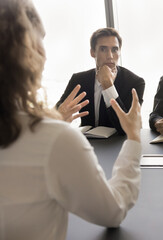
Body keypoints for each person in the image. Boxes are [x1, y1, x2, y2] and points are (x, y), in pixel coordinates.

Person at [0, 0, 142, 239]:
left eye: (114, 49)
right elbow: (112, 211)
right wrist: (135, 139)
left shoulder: (134, 81)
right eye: (40, 40)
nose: (110, 55)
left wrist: (109, 88)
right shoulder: (57, 135)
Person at [56, 27, 145, 135]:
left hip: (120, 144)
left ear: (120, 52)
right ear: (92, 52)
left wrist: (108, 85)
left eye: (114, 49)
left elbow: (126, 128)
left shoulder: (135, 83)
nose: (110, 56)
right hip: (88, 142)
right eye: (103, 49)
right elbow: (59, 110)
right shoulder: (79, 79)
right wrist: (59, 115)